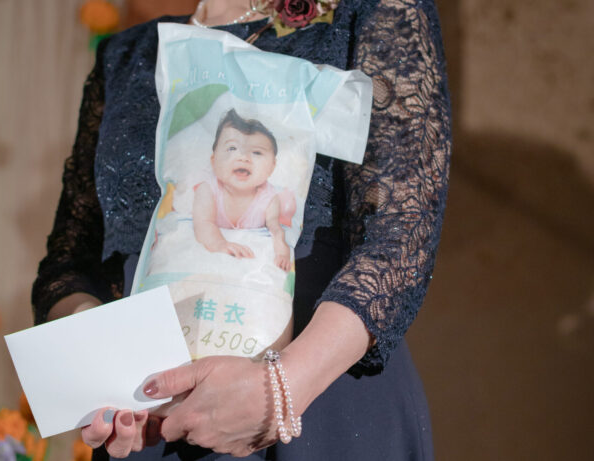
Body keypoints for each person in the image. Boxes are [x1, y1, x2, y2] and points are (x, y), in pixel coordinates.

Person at [32, 0, 451, 459]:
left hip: (317, 403)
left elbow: (400, 237)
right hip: (153, 419)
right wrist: (105, 365)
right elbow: (69, 263)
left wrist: (281, 389)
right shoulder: (127, 54)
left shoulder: (370, 14)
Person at [192, 108, 292, 271]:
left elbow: (275, 229)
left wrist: (282, 253)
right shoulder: (208, 190)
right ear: (214, 160)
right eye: (232, 148)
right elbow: (203, 223)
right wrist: (220, 244)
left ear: (272, 167)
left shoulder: (268, 198)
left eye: (257, 152)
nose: (244, 158)